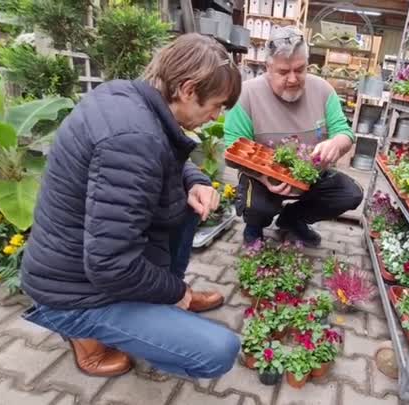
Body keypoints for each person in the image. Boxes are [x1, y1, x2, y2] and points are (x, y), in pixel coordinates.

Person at [20, 34, 242, 379]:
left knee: (187, 208)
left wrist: (196, 180)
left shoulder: (127, 99)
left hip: (76, 263)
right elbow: (110, 264)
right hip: (73, 291)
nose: (214, 116)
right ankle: (83, 332)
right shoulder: (134, 139)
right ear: (186, 89)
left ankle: (162, 305)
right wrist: (176, 291)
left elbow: (166, 156)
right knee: (218, 353)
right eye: (214, 105)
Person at [224, 26, 363, 247]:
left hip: (310, 176)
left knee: (349, 194)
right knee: (257, 206)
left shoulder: (323, 90)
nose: (292, 79)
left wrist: (336, 143)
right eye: (283, 71)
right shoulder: (247, 95)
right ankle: (255, 225)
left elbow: (345, 132)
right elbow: (232, 148)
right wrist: (263, 177)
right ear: (268, 67)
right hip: (264, 177)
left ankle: (292, 219)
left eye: (300, 69)